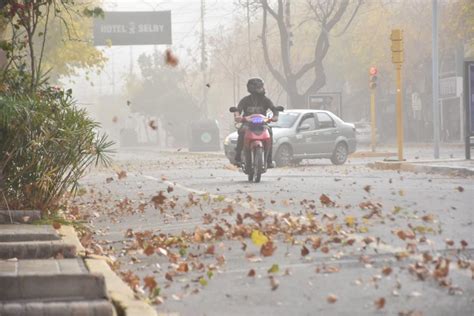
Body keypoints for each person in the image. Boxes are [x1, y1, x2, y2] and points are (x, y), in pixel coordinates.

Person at [234, 78, 279, 168]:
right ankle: (237, 158)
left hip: (262, 124)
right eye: (259, 87)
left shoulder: (265, 100)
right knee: (242, 132)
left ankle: (269, 160)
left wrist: (275, 116)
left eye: (261, 87)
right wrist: (237, 116)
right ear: (252, 88)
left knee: (269, 132)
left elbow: (274, 109)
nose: (262, 89)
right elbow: (237, 110)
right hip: (248, 124)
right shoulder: (245, 100)